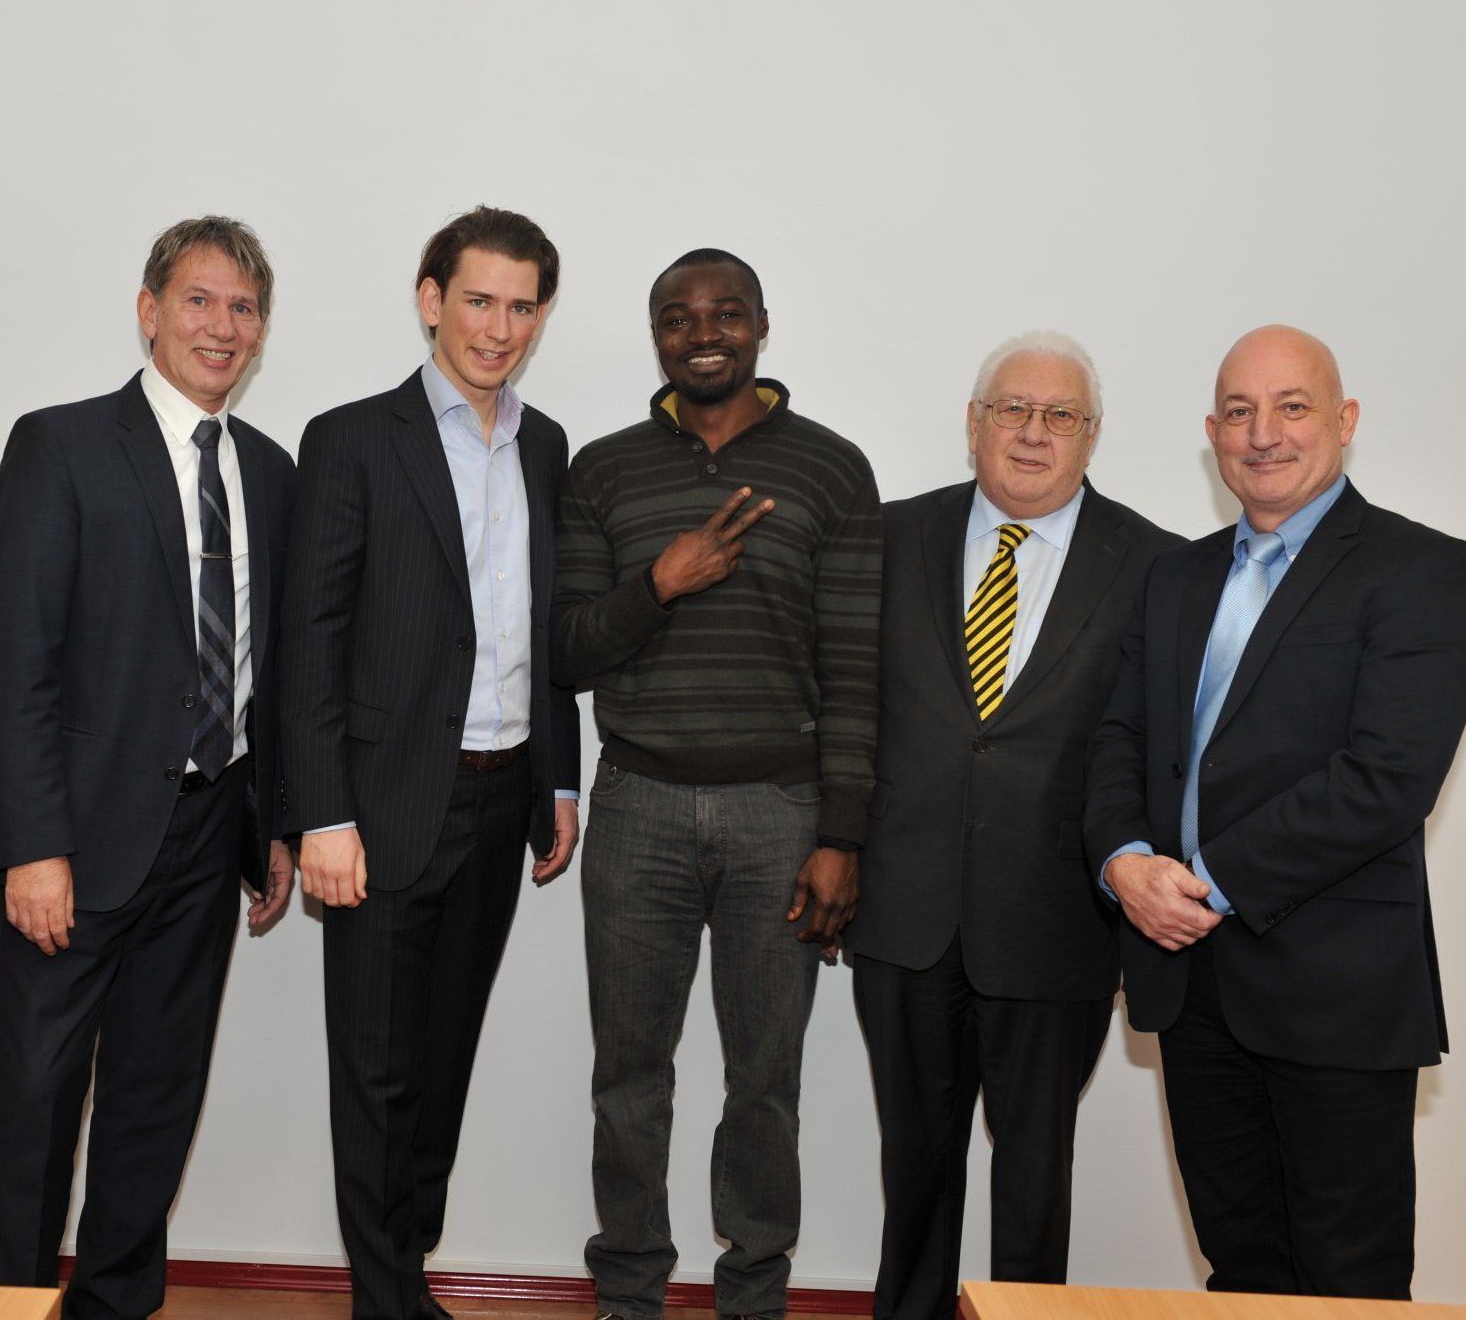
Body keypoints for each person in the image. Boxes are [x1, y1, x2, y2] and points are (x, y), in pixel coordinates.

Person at [1085, 324, 1466, 1299]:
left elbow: (1385, 780)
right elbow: (1116, 740)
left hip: (1333, 993)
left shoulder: (1422, 570)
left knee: (1348, 1280)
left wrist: (1206, 884)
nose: (1261, 433)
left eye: (1290, 406)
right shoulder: (1173, 576)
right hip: (1192, 991)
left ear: (1342, 422)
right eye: (1237, 411)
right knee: (1242, 1269)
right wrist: (1124, 860)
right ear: (1211, 435)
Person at [0, 216, 297, 1320]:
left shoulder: (269, 469)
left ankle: (115, 1302)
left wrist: (274, 827)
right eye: (199, 300)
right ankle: (3, 1304)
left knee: (157, 1092)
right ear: (149, 310)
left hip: (208, 834)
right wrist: (34, 846)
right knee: (34, 1094)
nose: (222, 326)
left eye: (243, 308)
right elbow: (14, 664)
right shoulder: (60, 444)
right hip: (77, 838)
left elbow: (271, 671)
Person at [553, 248, 882, 1320]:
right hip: (637, 806)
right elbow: (565, 652)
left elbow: (854, 672)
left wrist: (841, 834)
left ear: (761, 326)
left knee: (763, 1088)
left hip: (779, 818)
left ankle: (752, 1296)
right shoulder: (602, 472)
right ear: (656, 336)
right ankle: (629, 1296)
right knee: (629, 1078)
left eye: (725, 312)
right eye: (678, 316)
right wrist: (662, 580)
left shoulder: (833, 470)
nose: (703, 331)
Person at [280, 205, 581, 1320]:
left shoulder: (545, 448)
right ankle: (383, 1298)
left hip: (502, 804)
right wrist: (319, 814)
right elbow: (308, 638)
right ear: (429, 299)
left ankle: (405, 1267)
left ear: (540, 316)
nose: (497, 328)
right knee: (375, 1071)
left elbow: (545, 627)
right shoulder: (352, 439)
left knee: (443, 1063)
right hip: (380, 805)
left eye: (519, 306)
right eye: (477, 300)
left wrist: (558, 778)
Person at [849, 333, 1179, 1320]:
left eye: (1060, 416)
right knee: (915, 1166)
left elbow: (1155, 748)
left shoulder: (1153, 563)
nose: (1032, 434)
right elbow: (846, 708)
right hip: (904, 916)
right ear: (972, 423)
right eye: (1011, 410)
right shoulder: (888, 538)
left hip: (1056, 926)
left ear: (1090, 437)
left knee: (1034, 1176)